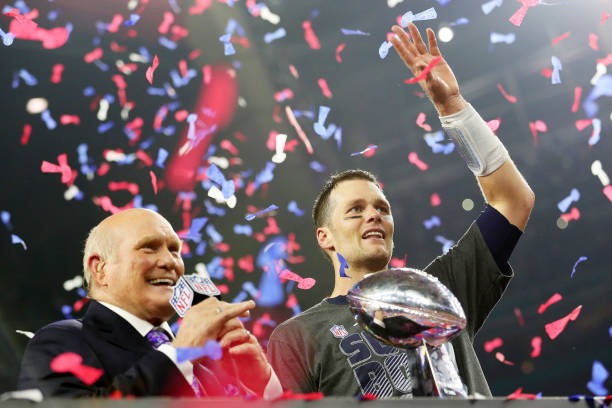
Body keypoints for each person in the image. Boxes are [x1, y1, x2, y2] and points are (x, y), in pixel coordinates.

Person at [267, 23, 535, 398]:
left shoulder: (443, 290)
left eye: (382, 208)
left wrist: (452, 107)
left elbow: (512, 201)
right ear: (324, 237)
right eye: (355, 210)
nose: (374, 215)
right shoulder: (298, 335)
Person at [18, 208, 282, 398]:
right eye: (149, 247)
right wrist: (179, 355)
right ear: (100, 269)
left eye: (175, 250)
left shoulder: (206, 359)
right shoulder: (61, 340)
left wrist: (261, 385)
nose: (170, 262)